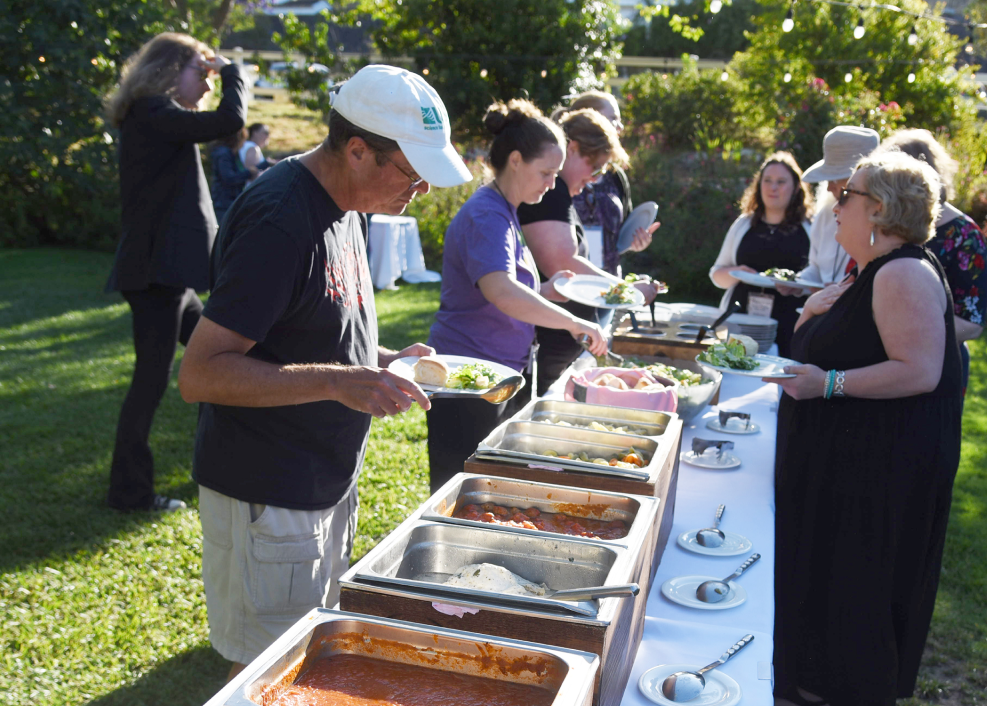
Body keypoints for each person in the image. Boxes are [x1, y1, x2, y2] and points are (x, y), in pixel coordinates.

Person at [177, 64, 470, 678]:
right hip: (269, 491)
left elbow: (311, 326)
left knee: (307, 659)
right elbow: (201, 373)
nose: (418, 191)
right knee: (270, 673)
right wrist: (340, 382)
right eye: (412, 173)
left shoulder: (349, 202)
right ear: (357, 149)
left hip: (318, 481)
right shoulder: (280, 220)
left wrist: (383, 361)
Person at [768, 151, 962, 706]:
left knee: (855, 595)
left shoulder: (903, 272)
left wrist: (827, 384)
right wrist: (810, 317)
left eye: (846, 194)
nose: (834, 203)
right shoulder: (870, 270)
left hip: (874, 476)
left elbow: (920, 371)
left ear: (877, 210)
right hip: (845, 468)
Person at [424, 99, 609, 490]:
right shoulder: (487, 214)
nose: (552, 183)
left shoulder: (505, 210)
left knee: (492, 488)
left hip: (498, 373)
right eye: (546, 172)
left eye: (556, 173)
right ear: (515, 160)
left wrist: (544, 291)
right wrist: (574, 321)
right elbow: (502, 293)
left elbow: (502, 288)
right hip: (469, 382)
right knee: (462, 491)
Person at [102, 32, 246, 512]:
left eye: (209, 77)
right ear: (168, 70)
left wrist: (214, 72)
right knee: (151, 381)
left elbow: (225, 124)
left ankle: (231, 461)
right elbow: (232, 119)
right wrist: (230, 71)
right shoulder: (152, 113)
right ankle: (129, 492)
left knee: (219, 363)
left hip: (169, 278)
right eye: (199, 74)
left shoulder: (156, 117)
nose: (206, 86)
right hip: (156, 276)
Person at [518, 108, 659, 395]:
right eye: (594, 168)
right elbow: (562, 263)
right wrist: (627, 291)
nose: (595, 180)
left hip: (565, 340)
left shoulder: (561, 194)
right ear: (572, 149)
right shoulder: (551, 193)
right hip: (548, 342)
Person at [875, 129, 987, 395]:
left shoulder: (966, 235)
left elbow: (972, 324)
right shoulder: (879, 225)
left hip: (938, 372)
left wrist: (903, 332)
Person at [708, 152, 813, 358]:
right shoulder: (743, 224)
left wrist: (798, 286)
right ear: (759, 185)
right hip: (741, 321)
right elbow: (716, 275)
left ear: (796, 187)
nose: (773, 187)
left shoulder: (811, 227)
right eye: (768, 181)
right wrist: (736, 272)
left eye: (781, 182)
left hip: (791, 324)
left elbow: (822, 281)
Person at [565, 91, 658, 274]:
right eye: (614, 118)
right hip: (570, 281)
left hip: (608, 280)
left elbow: (624, 233)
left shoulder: (616, 175)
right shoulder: (559, 176)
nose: (621, 127)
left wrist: (636, 242)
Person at [795, 126, 881, 287]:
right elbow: (816, 269)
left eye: (835, 179)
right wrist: (796, 283)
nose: (828, 188)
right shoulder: (826, 213)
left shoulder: (884, 222)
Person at [210, 128, 255, 222]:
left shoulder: (227, 153)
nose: (243, 144)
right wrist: (249, 173)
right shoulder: (224, 154)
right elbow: (229, 178)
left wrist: (266, 163)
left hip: (227, 201)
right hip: (224, 203)